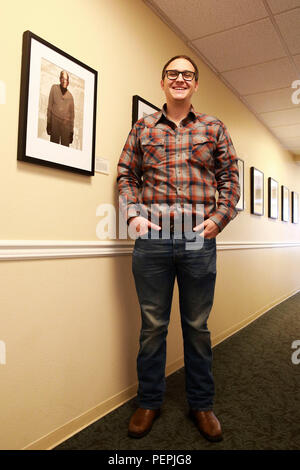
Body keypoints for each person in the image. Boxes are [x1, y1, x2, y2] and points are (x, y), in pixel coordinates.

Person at [117, 55, 240, 442]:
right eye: (173, 73)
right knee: (153, 327)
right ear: (162, 82)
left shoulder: (213, 127)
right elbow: (125, 175)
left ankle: (201, 405)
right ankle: (149, 401)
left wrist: (216, 222)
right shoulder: (142, 127)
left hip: (197, 238)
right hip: (151, 239)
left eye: (188, 74)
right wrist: (133, 217)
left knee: (197, 327)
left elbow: (231, 180)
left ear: (196, 84)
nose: (180, 79)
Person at [46, 70, 74, 147]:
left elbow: (72, 116)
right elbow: (50, 106)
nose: (64, 81)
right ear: (60, 79)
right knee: (53, 146)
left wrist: (71, 132)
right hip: (55, 123)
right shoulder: (54, 88)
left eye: (66, 79)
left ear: (68, 82)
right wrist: (49, 123)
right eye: (63, 78)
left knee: (65, 149)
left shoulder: (70, 96)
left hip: (66, 126)